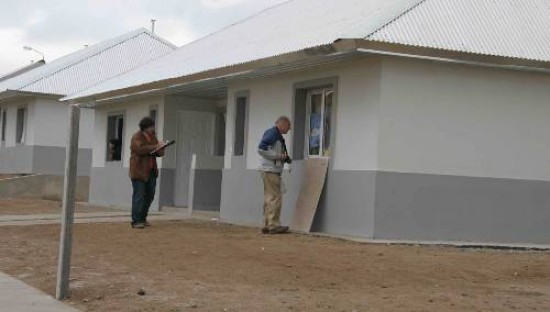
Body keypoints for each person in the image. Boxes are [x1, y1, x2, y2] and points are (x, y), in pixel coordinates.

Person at [129, 117, 165, 229]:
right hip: (139, 171)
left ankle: (143, 218)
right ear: (145, 127)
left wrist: (162, 147)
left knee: (149, 196)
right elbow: (139, 149)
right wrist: (155, 146)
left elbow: (159, 152)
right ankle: (136, 220)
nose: (152, 129)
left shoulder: (153, 137)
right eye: (151, 126)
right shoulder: (137, 137)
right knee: (139, 196)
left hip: (151, 171)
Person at [258, 116, 292, 234]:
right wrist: (278, 156)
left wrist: (284, 157)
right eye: (288, 126)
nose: (289, 129)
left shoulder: (272, 133)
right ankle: (273, 225)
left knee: (269, 197)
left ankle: (267, 224)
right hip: (270, 169)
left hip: (269, 169)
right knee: (275, 196)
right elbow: (261, 149)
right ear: (282, 124)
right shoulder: (273, 134)